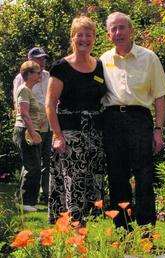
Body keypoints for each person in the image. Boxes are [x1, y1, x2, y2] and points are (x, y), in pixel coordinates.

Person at [100, 12, 165, 230]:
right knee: (116, 174)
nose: (118, 32)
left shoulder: (149, 58)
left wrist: (158, 130)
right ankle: (122, 229)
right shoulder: (102, 60)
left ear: (131, 30)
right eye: (113, 29)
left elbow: (160, 95)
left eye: (122, 27)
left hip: (139, 119)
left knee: (144, 175)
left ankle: (146, 228)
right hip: (111, 120)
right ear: (108, 34)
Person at [45, 16, 107, 224]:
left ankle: (85, 226)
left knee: (91, 180)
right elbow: (50, 104)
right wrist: (57, 135)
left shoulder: (100, 66)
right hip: (70, 135)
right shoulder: (61, 67)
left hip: (94, 135)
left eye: (88, 35)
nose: (84, 39)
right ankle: (73, 227)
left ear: (94, 38)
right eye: (79, 35)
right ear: (72, 38)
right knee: (73, 180)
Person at [13, 47, 52, 204]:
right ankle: (25, 196)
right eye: (39, 59)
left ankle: (45, 195)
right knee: (32, 162)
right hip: (31, 125)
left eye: (43, 59)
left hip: (47, 124)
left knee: (47, 161)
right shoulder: (20, 80)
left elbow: (52, 98)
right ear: (29, 61)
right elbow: (19, 105)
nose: (42, 62)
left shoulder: (48, 75)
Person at [13, 60, 43, 212]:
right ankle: (25, 202)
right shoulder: (23, 89)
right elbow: (24, 113)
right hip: (25, 131)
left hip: (30, 131)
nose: (40, 74)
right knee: (33, 167)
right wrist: (32, 132)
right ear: (29, 74)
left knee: (33, 166)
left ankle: (27, 201)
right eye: (37, 72)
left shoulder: (29, 90)